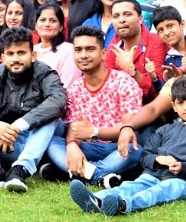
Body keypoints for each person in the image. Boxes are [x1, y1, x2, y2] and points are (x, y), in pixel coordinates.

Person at [69, 76, 186, 217]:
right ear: (174, 106)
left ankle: (124, 204)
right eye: (181, 103)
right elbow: (146, 155)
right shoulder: (164, 130)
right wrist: (157, 159)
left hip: (183, 180)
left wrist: (183, 167)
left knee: (157, 192)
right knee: (131, 185)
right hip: (154, 174)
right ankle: (95, 199)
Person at [0, 26, 68, 192]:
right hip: (7, 142)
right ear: (3, 57)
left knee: (50, 116)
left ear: (33, 55)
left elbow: (58, 101)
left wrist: (19, 125)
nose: (16, 59)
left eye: (21, 53)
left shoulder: (44, 73)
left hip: (42, 143)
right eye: (11, 54)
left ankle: (21, 169)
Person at [45, 26, 143, 186]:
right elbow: (74, 129)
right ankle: (101, 177)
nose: (83, 55)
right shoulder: (74, 89)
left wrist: (94, 132)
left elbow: (128, 128)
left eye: (90, 49)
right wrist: (72, 146)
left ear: (103, 53)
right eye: (78, 50)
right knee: (53, 142)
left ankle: (79, 173)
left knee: (134, 150)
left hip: (117, 147)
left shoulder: (124, 82)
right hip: (88, 147)